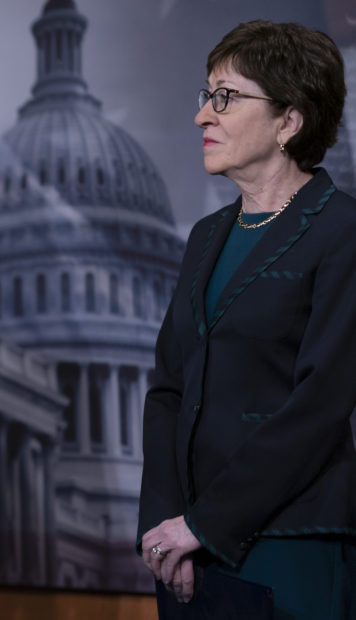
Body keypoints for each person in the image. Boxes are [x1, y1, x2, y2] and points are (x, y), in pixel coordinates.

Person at [138, 20, 356, 618]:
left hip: (287, 544)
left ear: (290, 120)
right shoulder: (205, 236)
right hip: (184, 554)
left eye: (226, 97)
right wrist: (166, 526)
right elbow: (168, 390)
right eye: (206, 96)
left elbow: (319, 407)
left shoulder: (343, 232)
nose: (202, 117)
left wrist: (205, 525)